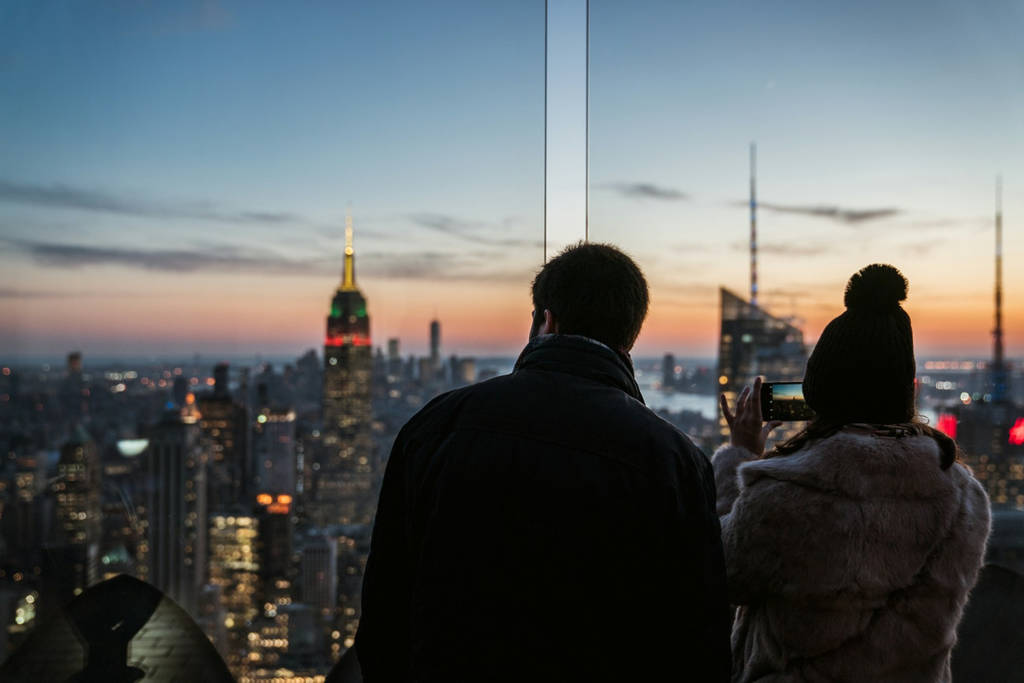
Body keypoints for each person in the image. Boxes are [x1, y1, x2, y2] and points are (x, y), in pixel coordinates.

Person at [355, 243, 732, 682]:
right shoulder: (674, 461)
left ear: (546, 320)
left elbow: (384, 614)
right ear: (630, 338)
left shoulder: (435, 427)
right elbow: (697, 646)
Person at [714, 264, 991, 682]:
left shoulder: (787, 494)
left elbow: (722, 573)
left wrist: (738, 457)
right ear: (905, 387)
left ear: (819, 391)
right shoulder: (964, 498)